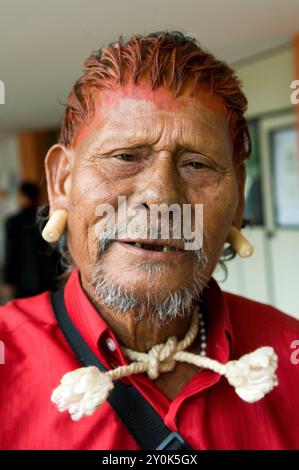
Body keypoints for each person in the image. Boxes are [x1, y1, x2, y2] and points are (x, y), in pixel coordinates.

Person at [0, 31, 298, 450]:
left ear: (236, 199)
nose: (160, 196)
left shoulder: (288, 353)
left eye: (196, 164)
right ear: (61, 181)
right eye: (125, 157)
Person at [3, 181, 62, 298]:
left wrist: (9, 281)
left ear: (24, 197)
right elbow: (58, 247)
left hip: (25, 281)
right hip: (51, 278)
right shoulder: (49, 217)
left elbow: (11, 253)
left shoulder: (14, 221)